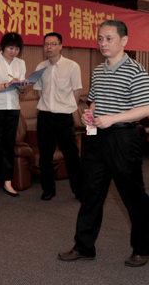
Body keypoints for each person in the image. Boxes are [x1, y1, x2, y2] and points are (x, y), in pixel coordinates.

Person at [59, 20, 149, 267]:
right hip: (96, 137)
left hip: (123, 138)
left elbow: (145, 108)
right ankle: (84, 246)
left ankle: (142, 247)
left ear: (124, 40)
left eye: (109, 38)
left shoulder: (136, 71)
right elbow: (94, 102)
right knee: (91, 193)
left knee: (132, 196)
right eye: (100, 38)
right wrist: (89, 116)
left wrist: (113, 118)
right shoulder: (98, 70)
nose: (103, 43)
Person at [33, 32, 84, 201]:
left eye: (53, 44)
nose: (49, 47)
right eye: (46, 44)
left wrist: (66, 107)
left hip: (64, 117)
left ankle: (79, 190)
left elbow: (76, 91)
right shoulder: (40, 67)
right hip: (45, 116)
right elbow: (39, 91)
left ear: (61, 46)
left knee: (71, 155)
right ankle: (48, 190)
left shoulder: (72, 66)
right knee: (45, 156)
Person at [0, 32, 28, 198]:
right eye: (10, 48)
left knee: (9, 145)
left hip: (13, 108)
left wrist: (22, 86)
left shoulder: (21, 63)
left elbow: (21, 90)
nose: (13, 52)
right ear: (3, 47)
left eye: (17, 49)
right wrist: (8, 84)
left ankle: (8, 182)